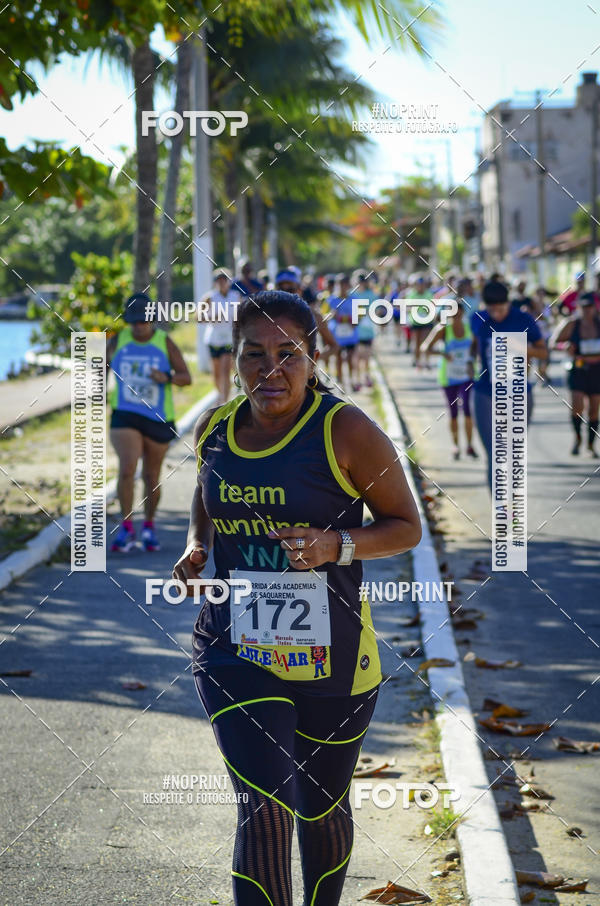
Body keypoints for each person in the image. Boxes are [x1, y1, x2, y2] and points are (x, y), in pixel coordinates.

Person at [173, 291, 421, 906]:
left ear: (313, 359)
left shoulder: (347, 431)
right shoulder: (215, 427)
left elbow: (405, 526)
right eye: (254, 353)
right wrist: (197, 543)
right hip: (233, 645)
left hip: (334, 656)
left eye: (289, 353)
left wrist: (335, 544)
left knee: (320, 805)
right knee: (263, 804)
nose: (271, 369)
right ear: (234, 359)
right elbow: (206, 493)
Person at [107, 293, 191, 552]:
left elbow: (186, 377)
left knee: (151, 476)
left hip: (157, 417)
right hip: (125, 413)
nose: (138, 326)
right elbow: (100, 369)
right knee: (127, 469)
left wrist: (166, 377)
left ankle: (149, 526)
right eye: (133, 322)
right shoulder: (117, 341)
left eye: (143, 321)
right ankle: (126, 527)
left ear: (152, 319)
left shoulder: (164, 342)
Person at [470, 280, 548, 489]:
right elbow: (475, 344)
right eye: (491, 309)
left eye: (501, 309)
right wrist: (470, 361)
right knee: (494, 454)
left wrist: (521, 347)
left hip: (518, 392)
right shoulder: (478, 319)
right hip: (486, 392)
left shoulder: (523, 319)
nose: (496, 314)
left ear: (508, 303)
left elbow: (543, 352)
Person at [422, 300, 478, 460]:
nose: (456, 317)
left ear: (462, 312)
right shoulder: (442, 329)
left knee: (467, 409)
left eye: (458, 313)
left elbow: (475, 346)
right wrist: (442, 354)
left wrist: (472, 360)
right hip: (448, 377)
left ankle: (469, 445)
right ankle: (455, 446)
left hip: (467, 375)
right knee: (453, 412)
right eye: (453, 314)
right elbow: (424, 348)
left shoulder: (469, 328)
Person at [550, 292, 600, 456]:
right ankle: (578, 438)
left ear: (594, 307)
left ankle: (591, 445)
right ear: (578, 307)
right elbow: (553, 343)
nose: (587, 310)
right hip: (578, 369)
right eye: (583, 307)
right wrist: (565, 347)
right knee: (577, 406)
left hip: (596, 370)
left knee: (594, 409)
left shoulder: (598, 323)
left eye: (590, 306)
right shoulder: (571, 324)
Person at [201, 268, 241, 405]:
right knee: (217, 373)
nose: (222, 283)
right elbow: (198, 317)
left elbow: (241, 315)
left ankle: (224, 402)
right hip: (213, 338)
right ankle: (220, 394)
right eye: (219, 281)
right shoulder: (209, 297)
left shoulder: (236, 296)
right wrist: (212, 317)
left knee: (225, 370)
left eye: (224, 280)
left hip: (229, 338)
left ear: (229, 282)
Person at [328, 274, 360, 390]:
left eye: (344, 284)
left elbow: (358, 316)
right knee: (339, 358)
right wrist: (337, 317)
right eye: (340, 284)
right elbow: (328, 315)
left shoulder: (354, 299)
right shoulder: (332, 300)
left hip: (351, 334)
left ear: (348, 285)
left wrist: (350, 319)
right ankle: (341, 382)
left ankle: (351, 380)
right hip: (337, 334)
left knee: (351, 358)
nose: (342, 287)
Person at [353, 270, 377, 387]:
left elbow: (377, 309)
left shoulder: (371, 295)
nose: (361, 283)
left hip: (368, 331)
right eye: (360, 281)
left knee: (367, 356)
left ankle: (366, 376)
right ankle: (357, 379)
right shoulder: (351, 294)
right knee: (357, 356)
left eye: (363, 281)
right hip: (354, 331)